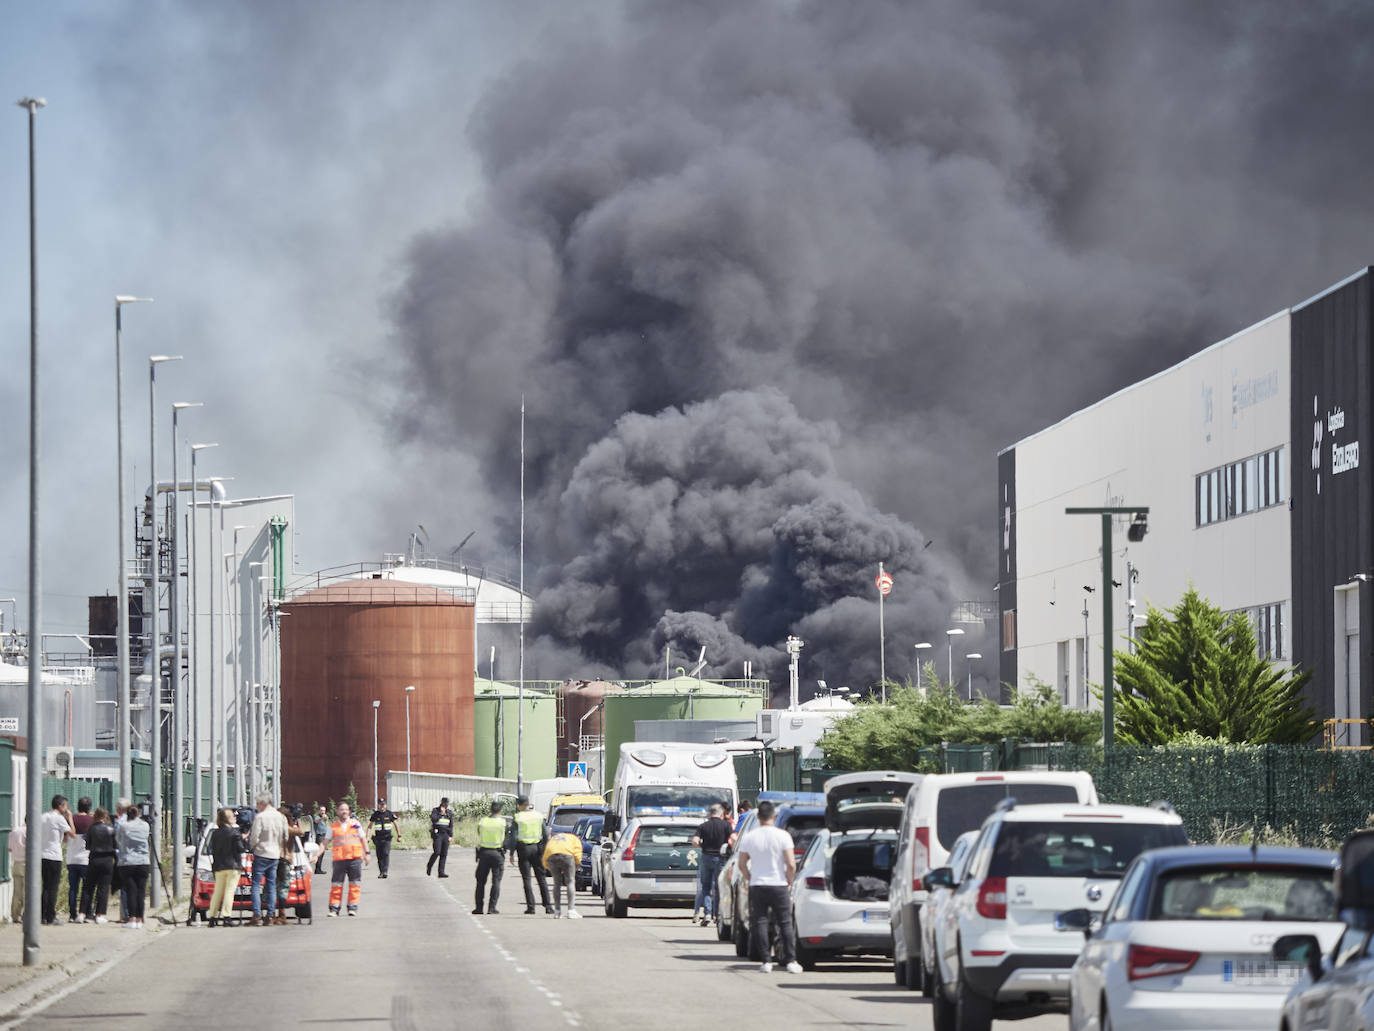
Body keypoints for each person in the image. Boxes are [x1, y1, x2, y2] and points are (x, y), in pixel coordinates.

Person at [735, 801, 803, 974]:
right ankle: (791, 960)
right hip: (779, 884)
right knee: (785, 923)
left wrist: (750, 878)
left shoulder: (750, 837)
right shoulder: (783, 836)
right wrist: (789, 880)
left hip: (758, 885)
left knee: (760, 922)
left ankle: (766, 961)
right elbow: (791, 864)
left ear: (758, 817)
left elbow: (742, 864)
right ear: (775, 816)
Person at [247, 792, 289, 927]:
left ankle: (257, 914)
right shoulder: (281, 817)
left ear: (263, 803)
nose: (257, 807)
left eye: (258, 804)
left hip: (261, 853)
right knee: (271, 885)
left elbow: (254, 837)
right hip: (275, 855)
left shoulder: (260, 817)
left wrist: (253, 847)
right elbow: (286, 836)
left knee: (255, 885)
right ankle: (270, 915)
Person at [320, 802, 369, 917]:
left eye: (346, 810)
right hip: (339, 860)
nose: (344, 812)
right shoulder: (333, 827)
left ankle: (352, 907)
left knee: (355, 884)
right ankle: (334, 909)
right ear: (337, 812)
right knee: (336, 885)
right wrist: (317, 855)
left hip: (354, 859)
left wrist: (367, 853)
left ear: (349, 812)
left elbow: (363, 840)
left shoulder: (355, 824)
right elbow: (325, 843)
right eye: (342, 810)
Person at [690, 803, 733, 926]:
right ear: (721, 813)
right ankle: (717, 915)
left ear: (710, 813)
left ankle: (707, 914)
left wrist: (703, 847)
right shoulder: (726, 825)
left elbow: (694, 841)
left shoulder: (703, 826)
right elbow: (733, 839)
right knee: (719, 888)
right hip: (721, 858)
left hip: (706, 858)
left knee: (706, 887)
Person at [512, 796, 554, 915]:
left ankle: (531, 907)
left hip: (523, 850)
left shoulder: (518, 817)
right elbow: (545, 834)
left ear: (519, 805)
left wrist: (511, 852)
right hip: (537, 849)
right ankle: (548, 906)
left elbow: (514, 837)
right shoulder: (538, 815)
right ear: (528, 804)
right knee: (541, 878)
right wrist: (546, 849)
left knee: (526, 879)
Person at [473, 800, 514, 915]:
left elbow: (479, 833)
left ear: (490, 810)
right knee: (496, 881)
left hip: (484, 853)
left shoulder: (483, 821)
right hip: (497, 854)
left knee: (480, 882)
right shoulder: (503, 822)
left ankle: (479, 908)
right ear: (500, 811)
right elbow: (507, 839)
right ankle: (492, 908)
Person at [40, 795, 76, 925]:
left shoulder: (43, 817)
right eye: (65, 806)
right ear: (61, 806)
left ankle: (42, 915)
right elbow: (72, 833)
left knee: (45, 886)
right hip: (54, 855)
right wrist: (70, 818)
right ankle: (51, 916)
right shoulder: (59, 818)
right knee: (53, 887)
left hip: (42, 854)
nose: (66, 808)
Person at [207, 807, 245, 927]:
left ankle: (212, 917)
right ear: (228, 819)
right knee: (229, 891)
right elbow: (240, 849)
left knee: (217, 892)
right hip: (233, 866)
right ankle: (226, 916)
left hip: (219, 866)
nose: (235, 818)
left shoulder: (215, 833)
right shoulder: (234, 833)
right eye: (232, 816)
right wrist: (242, 838)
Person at [115, 803, 151, 930]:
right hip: (143, 861)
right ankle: (140, 918)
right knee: (141, 891)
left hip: (127, 861)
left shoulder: (123, 826)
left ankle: (131, 918)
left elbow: (118, 840)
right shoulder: (145, 825)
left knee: (131, 890)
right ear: (138, 814)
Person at [80, 807, 116, 924]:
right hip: (107, 860)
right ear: (106, 816)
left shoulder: (91, 828)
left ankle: (82, 913)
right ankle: (99, 914)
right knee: (103, 888)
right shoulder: (111, 829)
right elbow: (115, 845)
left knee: (88, 887)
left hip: (94, 859)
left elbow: (88, 846)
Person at [542, 829, 583, 919]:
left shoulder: (553, 838)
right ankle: (571, 910)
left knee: (556, 883)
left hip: (551, 856)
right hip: (567, 855)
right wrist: (576, 864)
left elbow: (546, 851)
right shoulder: (574, 838)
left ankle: (557, 911)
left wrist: (548, 866)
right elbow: (577, 853)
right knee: (570, 881)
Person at [66, 797, 93, 923]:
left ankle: (72, 914)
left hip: (71, 858)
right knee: (87, 888)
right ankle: (88, 913)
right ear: (89, 808)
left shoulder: (71, 819)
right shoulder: (91, 821)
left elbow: (65, 837)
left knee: (73, 888)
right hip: (85, 859)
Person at [369, 798, 400, 879]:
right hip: (378, 838)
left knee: (386, 853)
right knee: (379, 855)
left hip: (387, 838)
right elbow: (370, 826)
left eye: (383, 804)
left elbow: (396, 824)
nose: (382, 806)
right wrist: (367, 837)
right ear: (378, 805)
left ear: (385, 805)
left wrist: (399, 835)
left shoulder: (389, 814)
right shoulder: (375, 814)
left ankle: (385, 871)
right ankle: (381, 872)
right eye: (380, 804)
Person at [8, 818, 25, 923]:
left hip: (16, 863)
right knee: (28, 892)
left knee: (17, 892)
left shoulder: (15, 831)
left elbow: (9, 848)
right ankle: (26, 915)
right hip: (28, 864)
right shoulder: (32, 832)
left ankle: (15, 915)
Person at [312, 805, 329, 874]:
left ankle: (319, 868)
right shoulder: (317, 817)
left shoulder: (324, 817)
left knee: (322, 852)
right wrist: (322, 818)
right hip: (319, 836)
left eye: (324, 810)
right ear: (319, 811)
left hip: (324, 835)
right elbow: (316, 821)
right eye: (321, 810)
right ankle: (317, 869)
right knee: (320, 852)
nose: (323, 812)